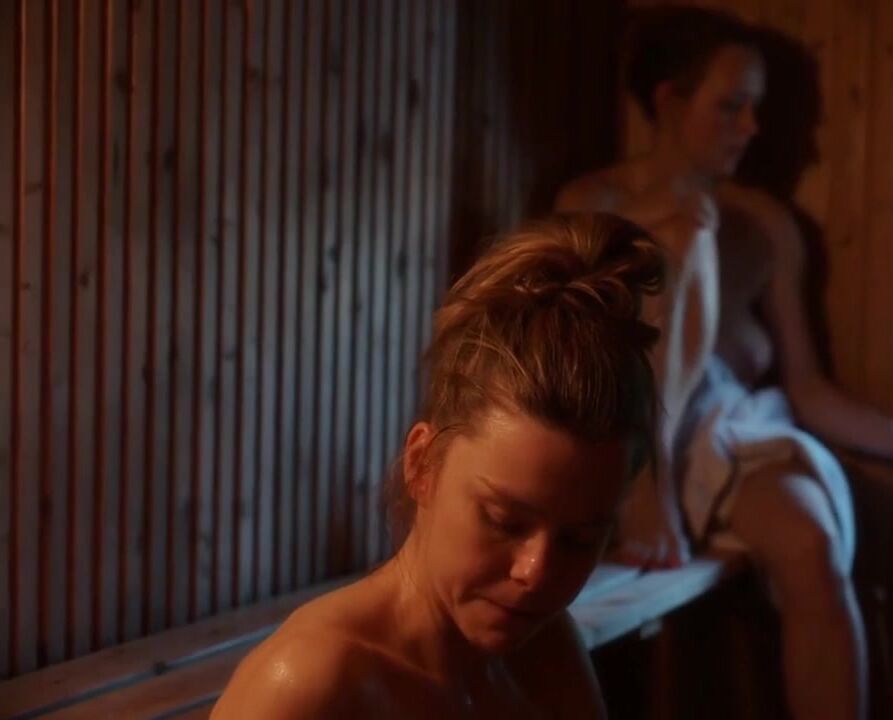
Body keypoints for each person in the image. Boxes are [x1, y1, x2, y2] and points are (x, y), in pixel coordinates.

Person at [555, 7, 893, 720]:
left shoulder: (766, 224)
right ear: (669, 102)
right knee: (682, 235)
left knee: (812, 542)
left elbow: (806, 387)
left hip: (730, 434)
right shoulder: (593, 205)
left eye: (757, 109)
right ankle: (646, 486)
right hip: (620, 430)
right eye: (731, 106)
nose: (751, 128)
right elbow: (570, 346)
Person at [211, 214, 665, 719]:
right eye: (504, 520)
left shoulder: (545, 649)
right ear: (422, 464)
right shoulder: (310, 684)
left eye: (580, 540)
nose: (536, 573)